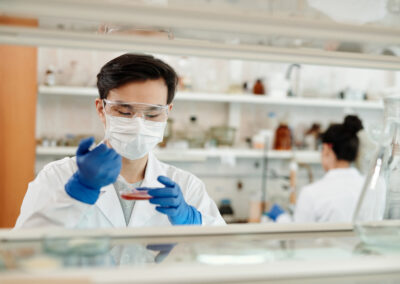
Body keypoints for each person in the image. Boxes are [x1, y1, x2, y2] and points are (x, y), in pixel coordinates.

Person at [16, 54, 225, 229]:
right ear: (101, 109)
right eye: (125, 112)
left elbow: (224, 255)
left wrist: (194, 221)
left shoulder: (187, 187)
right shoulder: (57, 176)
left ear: (168, 112)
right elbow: (19, 253)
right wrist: (76, 195)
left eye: (152, 114)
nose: (138, 124)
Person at [267, 115, 365, 223]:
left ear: (327, 150)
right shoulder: (375, 188)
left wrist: (281, 218)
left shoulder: (311, 193)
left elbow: (298, 235)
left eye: (321, 149)